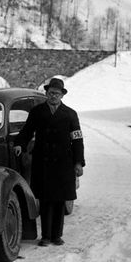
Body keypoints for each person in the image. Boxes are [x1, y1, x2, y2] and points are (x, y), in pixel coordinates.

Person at [14, 77, 85, 247]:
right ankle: (45, 236)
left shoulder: (70, 114)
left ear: (62, 95)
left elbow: (77, 140)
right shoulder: (37, 112)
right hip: (43, 162)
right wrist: (19, 144)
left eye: (57, 94)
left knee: (60, 201)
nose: (54, 96)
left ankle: (57, 236)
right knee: (45, 200)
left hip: (63, 164)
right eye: (51, 93)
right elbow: (27, 131)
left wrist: (78, 163)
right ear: (46, 93)